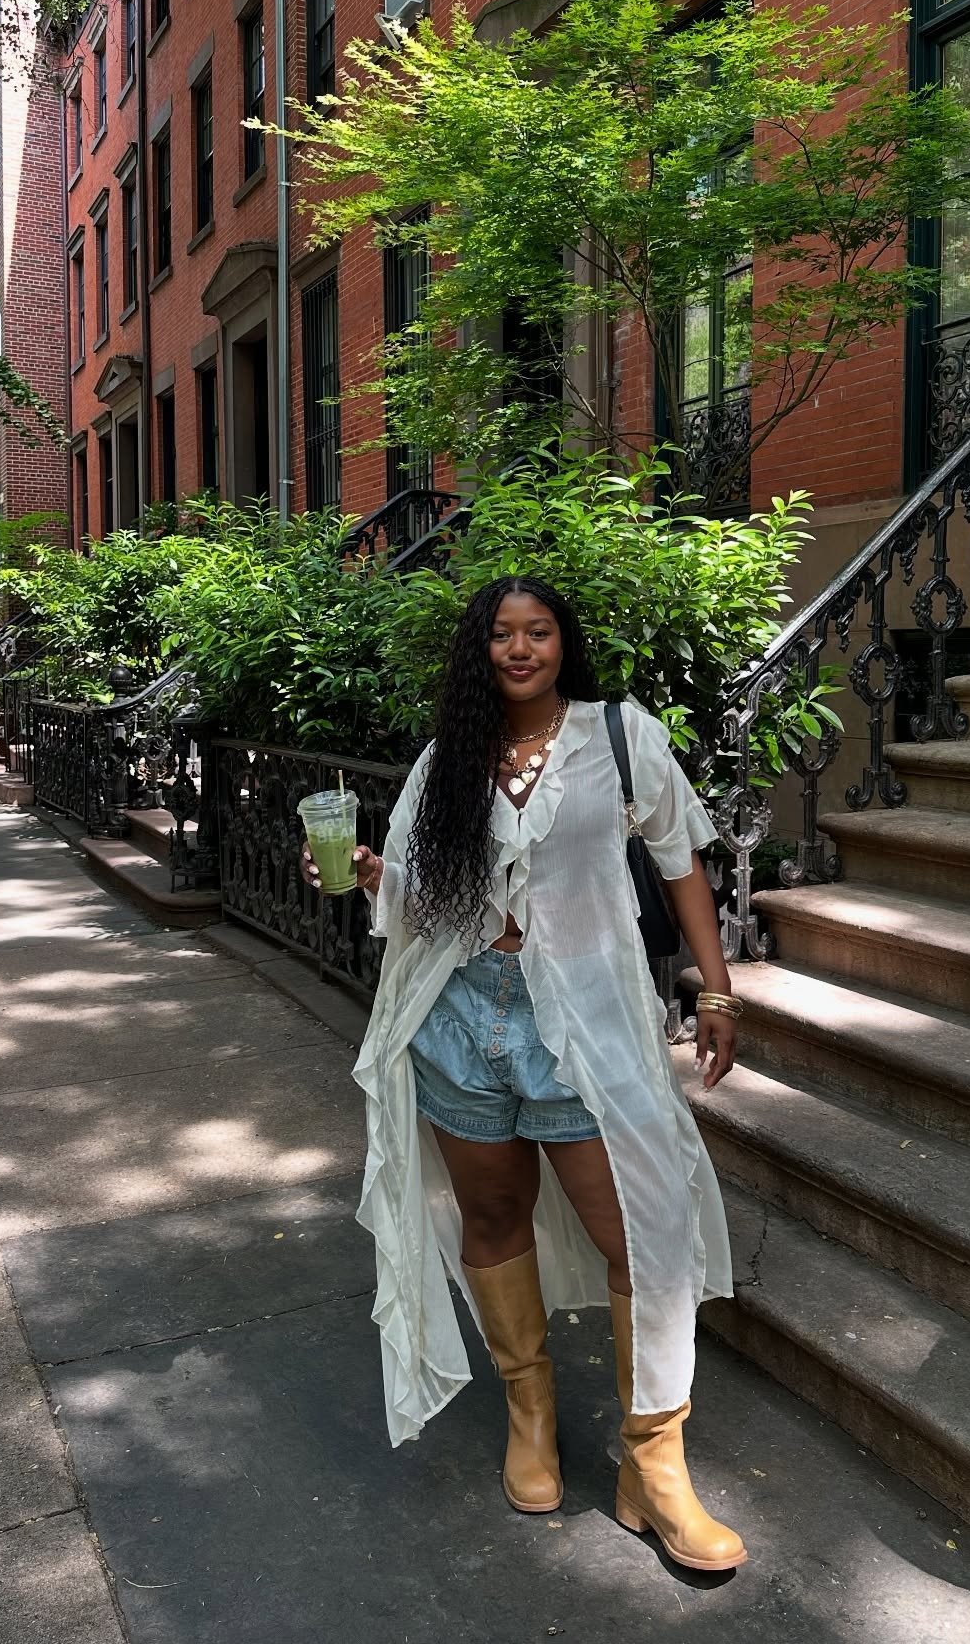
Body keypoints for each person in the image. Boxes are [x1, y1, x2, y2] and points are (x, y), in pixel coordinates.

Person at [303, 574, 747, 1572]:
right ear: (481, 651)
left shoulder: (620, 736)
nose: (518, 649)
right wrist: (375, 876)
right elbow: (425, 891)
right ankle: (532, 1417)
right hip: (462, 1021)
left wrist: (714, 991)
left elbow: (680, 861)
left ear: (561, 642)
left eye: (536, 632)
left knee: (644, 1224)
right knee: (493, 1219)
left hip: (582, 1026)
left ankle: (655, 1465)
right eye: (500, 634)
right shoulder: (449, 758)